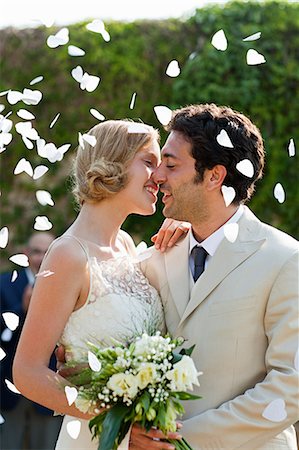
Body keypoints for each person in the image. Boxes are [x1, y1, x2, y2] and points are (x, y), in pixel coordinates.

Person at [130, 103, 299, 449]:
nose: (157, 176)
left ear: (214, 176)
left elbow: (290, 385)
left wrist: (181, 439)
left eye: (171, 165)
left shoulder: (285, 259)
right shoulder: (157, 256)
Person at [12, 120, 186, 450]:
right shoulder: (68, 254)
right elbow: (28, 372)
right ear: (112, 162)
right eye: (148, 162)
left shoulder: (127, 245)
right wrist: (116, 423)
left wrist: (185, 226)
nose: (159, 176)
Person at [0, 232, 63, 450]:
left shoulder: (66, 286)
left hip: (49, 386)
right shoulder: (5, 284)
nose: (41, 257)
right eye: (37, 251)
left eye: (47, 252)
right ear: (26, 254)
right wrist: (21, 310)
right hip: (9, 386)